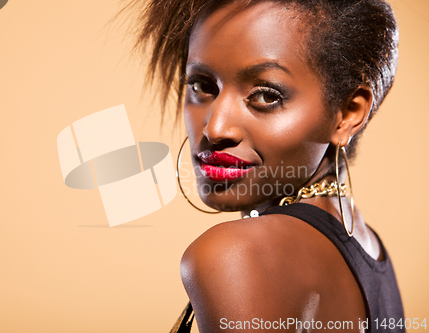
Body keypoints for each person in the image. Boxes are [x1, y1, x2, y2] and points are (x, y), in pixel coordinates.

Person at [127, 0, 404, 331]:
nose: (215, 129)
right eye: (202, 86)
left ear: (348, 113)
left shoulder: (238, 255)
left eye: (265, 95)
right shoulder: (366, 245)